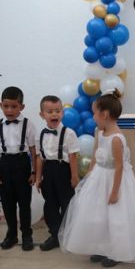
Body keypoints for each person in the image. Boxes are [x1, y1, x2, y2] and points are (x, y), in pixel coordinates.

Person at [60, 94, 135, 267]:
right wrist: (89, 176)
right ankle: (101, 247)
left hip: (114, 181)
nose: (93, 117)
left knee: (116, 217)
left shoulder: (116, 139)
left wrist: (114, 192)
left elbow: (119, 167)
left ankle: (116, 251)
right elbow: (95, 156)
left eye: (94, 113)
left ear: (104, 114)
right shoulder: (101, 133)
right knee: (98, 215)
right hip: (99, 178)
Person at [0, 86, 38, 251]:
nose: (9, 110)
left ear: (22, 107)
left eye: (14, 106)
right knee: (7, 204)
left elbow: (33, 150)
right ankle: (11, 234)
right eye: (6, 106)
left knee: (24, 203)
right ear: (1, 105)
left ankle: (27, 235)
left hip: (22, 164)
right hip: (4, 166)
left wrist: (34, 171)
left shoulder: (28, 125)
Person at [35, 95, 80, 251]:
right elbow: (40, 157)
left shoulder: (69, 133)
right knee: (50, 205)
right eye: (49, 111)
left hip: (63, 170)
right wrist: (38, 177)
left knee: (67, 203)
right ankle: (55, 235)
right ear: (42, 115)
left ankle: (68, 235)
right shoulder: (40, 134)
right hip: (48, 170)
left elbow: (73, 156)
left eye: (57, 111)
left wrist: (74, 176)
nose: (54, 114)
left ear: (62, 113)